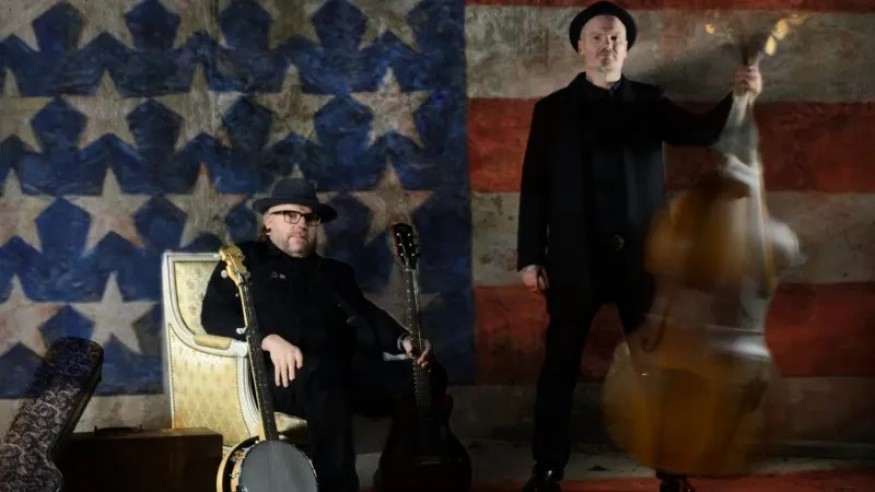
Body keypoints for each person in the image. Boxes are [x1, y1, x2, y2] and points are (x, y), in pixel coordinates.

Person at [515, 2, 763, 491]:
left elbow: (702, 133)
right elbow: (535, 187)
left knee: (657, 369)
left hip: (640, 260)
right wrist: (529, 257)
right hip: (573, 262)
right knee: (559, 369)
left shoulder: (649, 102)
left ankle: (673, 473)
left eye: (615, 38)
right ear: (580, 46)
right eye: (597, 37)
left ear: (626, 48)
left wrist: (738, 96)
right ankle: (547, 469)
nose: (606, 46)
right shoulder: (552, 111)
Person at [200, 177, 447, 492]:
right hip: (282, 378)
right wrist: (267, 340)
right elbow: (214, 317)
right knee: (326, 380)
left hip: (346, 372)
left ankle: (402, 469)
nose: (301, 224)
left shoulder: (334, 272)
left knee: (428, 375)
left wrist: (404, 340)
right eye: (291, 215)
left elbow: (366, 312)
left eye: (309, 217)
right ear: (269, 221)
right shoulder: (244, 260)